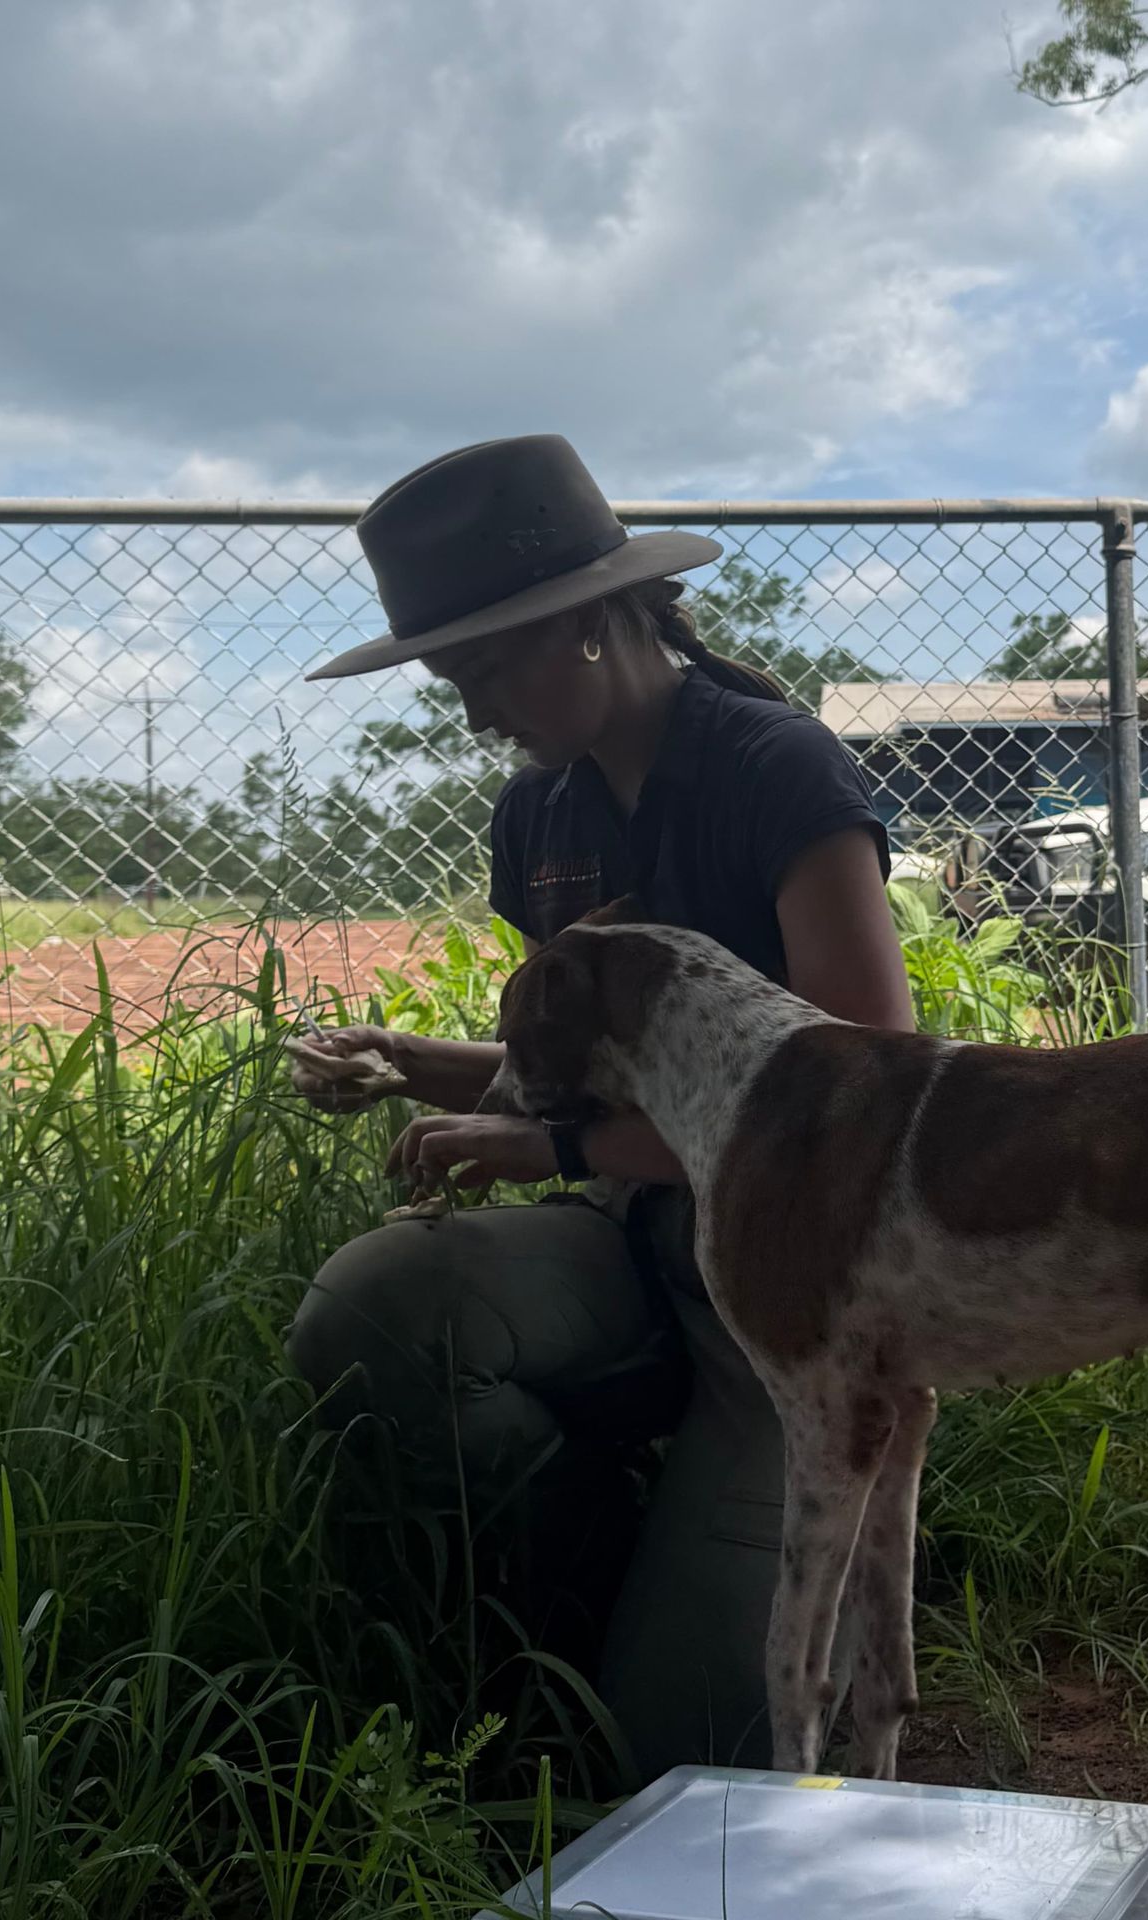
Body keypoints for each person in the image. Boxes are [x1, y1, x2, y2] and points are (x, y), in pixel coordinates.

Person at [282, 435, 915, 1782]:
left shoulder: (773, 770)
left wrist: (549, 1147)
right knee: (373, 1308)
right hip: (633, 1239)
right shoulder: (538, 816)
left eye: (487, 669)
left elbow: (864, 1099)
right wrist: (410, 1060)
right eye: (454, 679)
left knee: (676, 1762)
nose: (473, 712)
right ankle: (611, 1551)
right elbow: (564, 1083)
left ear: (583, 625)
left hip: (793, 1311)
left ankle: (699, 1581)